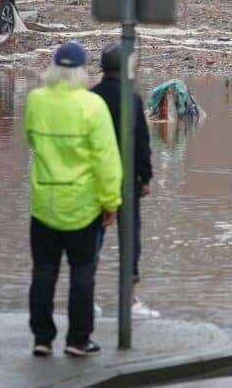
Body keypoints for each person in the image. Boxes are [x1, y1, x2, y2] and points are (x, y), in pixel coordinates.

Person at [25, 41, 122, 357]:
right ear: (82, 70)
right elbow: (106, 160)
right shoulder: (92, 106)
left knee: (43, 272)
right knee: (82, 274)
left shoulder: (36, 100)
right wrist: (111, 203)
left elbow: (30, 138)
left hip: (44, 204)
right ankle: (78, 339)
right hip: (83, 205)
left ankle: (42, 338)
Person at [90, 44, 159, 319]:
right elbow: (142, 142)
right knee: (130, 240)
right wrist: (146, 177)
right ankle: (129, 301)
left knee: (93, 239)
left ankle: (88, 298)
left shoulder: (91, 98)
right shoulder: (132, 99)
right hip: (127, 179)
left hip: (96, 179)